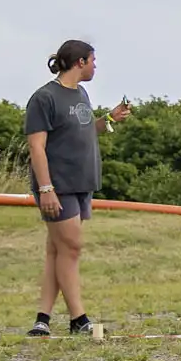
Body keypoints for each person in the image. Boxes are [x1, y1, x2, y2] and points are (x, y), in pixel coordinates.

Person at [23, 40, 130, 336]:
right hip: (59, 186)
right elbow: (36, 146)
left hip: (83, 183)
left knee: (57, 251)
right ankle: (78, 319)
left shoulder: (81, 93)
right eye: (93, 60)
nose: (96, 66)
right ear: (80, 62)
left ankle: (42, 319)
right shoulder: (44, 98)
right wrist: (46, 188)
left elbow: (84, 129)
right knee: (71, 247)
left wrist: (109, 119)